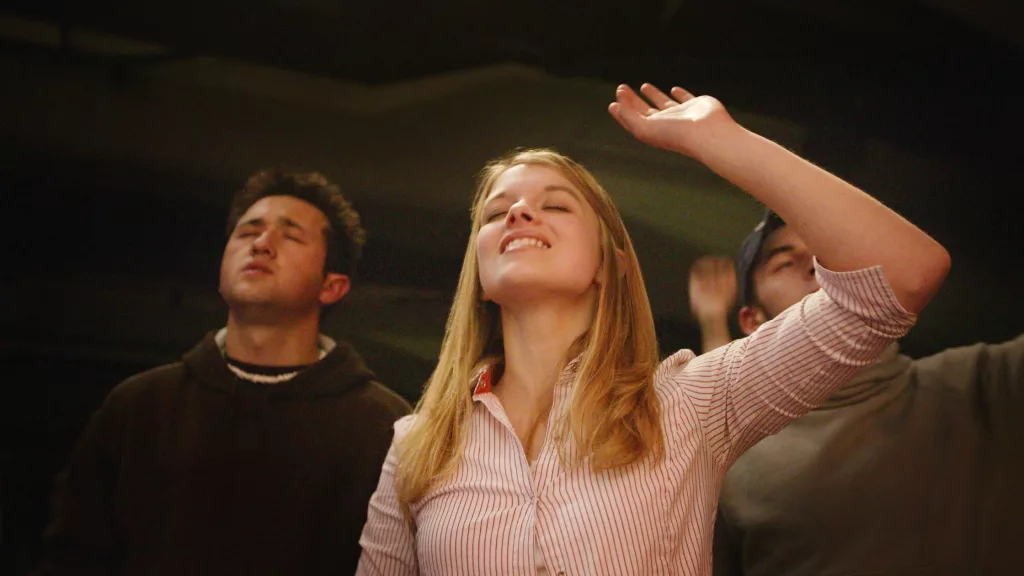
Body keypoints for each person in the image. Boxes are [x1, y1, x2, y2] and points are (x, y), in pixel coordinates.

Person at [355, 82, 950, 575]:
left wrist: (723, 142)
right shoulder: (418, 443)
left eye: (556, 204)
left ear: (610, 266)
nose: (518, 212)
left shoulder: (690, 401)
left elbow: (903, 275)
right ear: (480, 277)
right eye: (495, 211)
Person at [39, 169, 411, 575]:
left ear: (331, 286)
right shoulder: (141, 404)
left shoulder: (383, 425)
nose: (262, 244)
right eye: (247, 232)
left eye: (290, 236)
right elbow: (72, 557)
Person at [687, 213, 1024, 575]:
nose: (817, 267)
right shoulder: (726, 463)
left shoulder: (981, 385)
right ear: (753, 321)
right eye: (785, 262)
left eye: (829, 253)